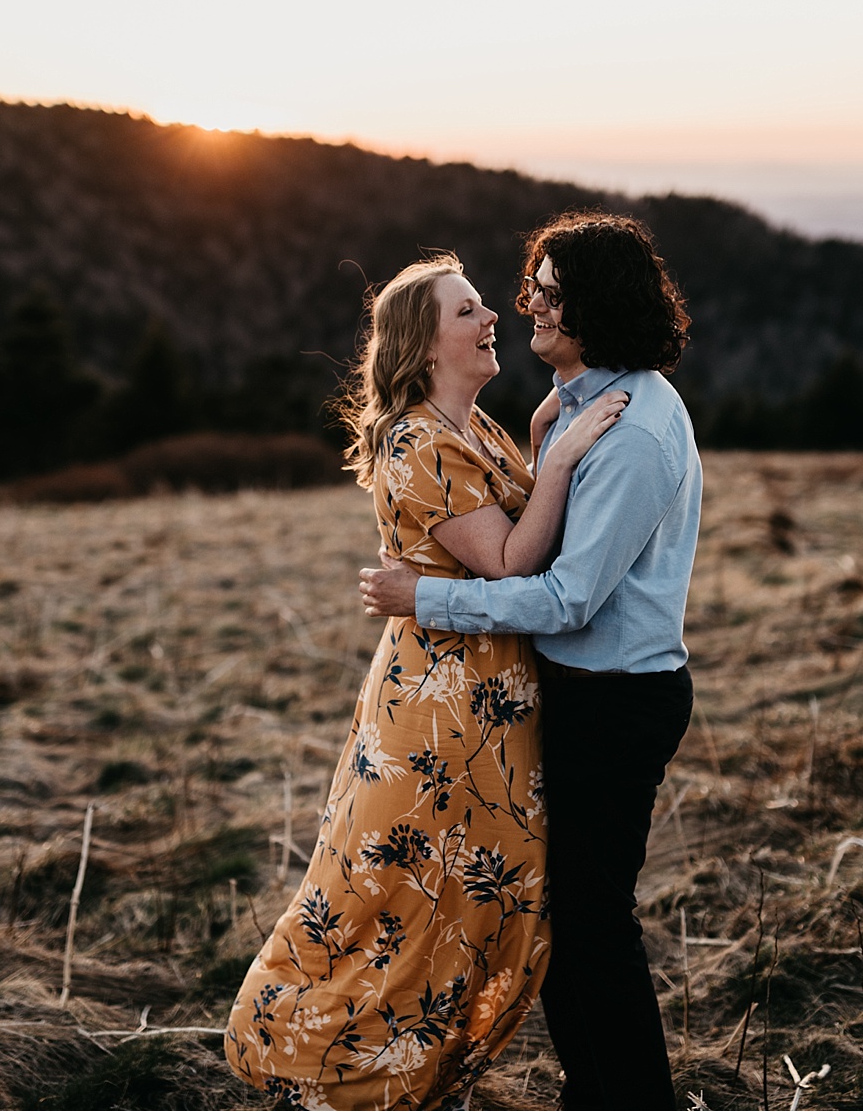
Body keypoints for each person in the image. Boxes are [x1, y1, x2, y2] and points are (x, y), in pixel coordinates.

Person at [224, 252, 628, 1109]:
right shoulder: (415, 440)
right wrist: (560, 461)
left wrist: (539, 436)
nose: (494, 319)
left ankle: (408, 1068)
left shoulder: (471, 427)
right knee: (405, 895)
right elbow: (514, 559)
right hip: (445, 717)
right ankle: (328, 1063)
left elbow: (492, 525)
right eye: (469, 311)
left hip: (490, 702)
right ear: (424, 342)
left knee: (472, 893)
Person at [359, 211, 700, 1110]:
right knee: (561, 920)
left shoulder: (629, 435)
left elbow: (563, 597)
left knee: (592, 927)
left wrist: (423, 599)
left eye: (546, 293)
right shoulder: (587, 405)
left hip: (614, 700)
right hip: (574, 692)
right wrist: (548, 429)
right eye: (527, 289)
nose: (526, 307)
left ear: (593, 305)